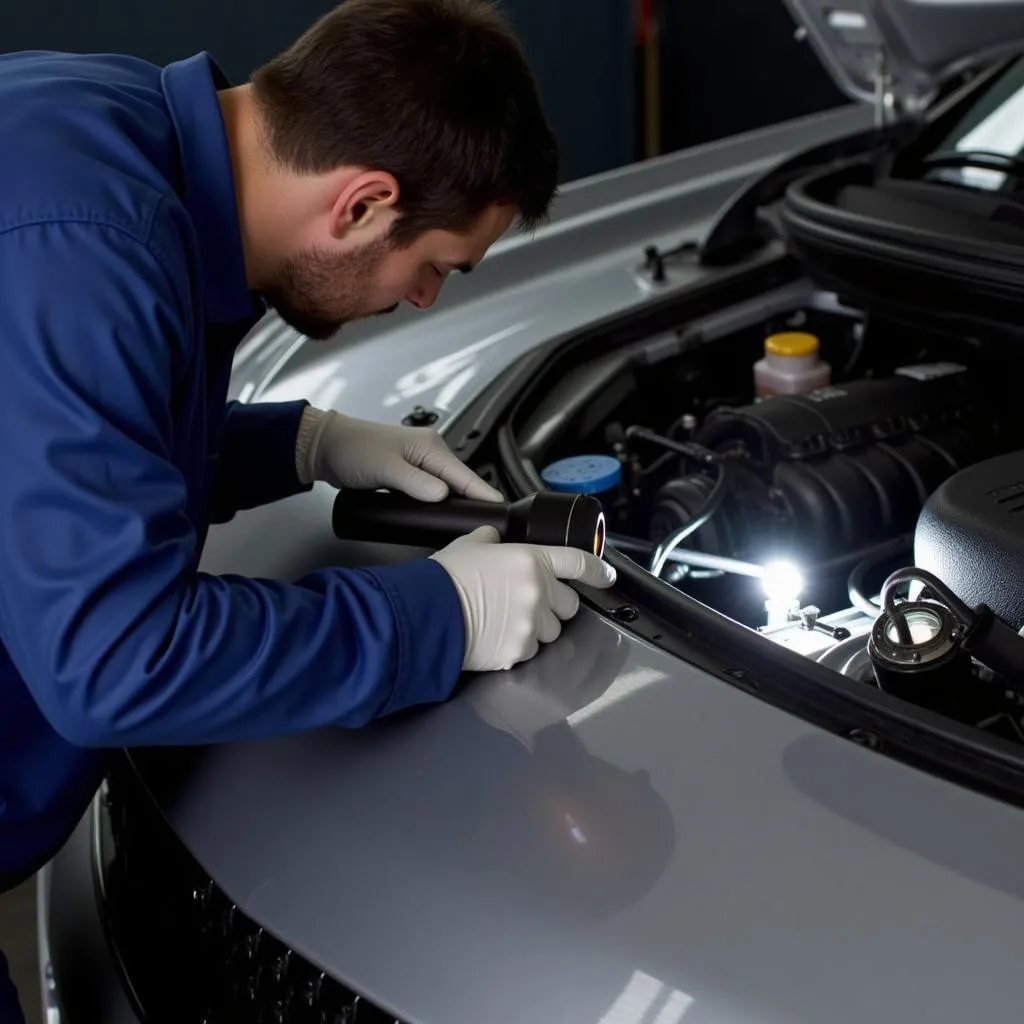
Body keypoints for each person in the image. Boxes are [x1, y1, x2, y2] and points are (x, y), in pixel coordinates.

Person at [0, 0, 616, 1016]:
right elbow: (116, 661)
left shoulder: (101, 131)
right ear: (364, 202)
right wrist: (441, 617)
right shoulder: (88, 249)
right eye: (434, 270)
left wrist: (299, 442)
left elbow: (52, 443)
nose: (422, 302)